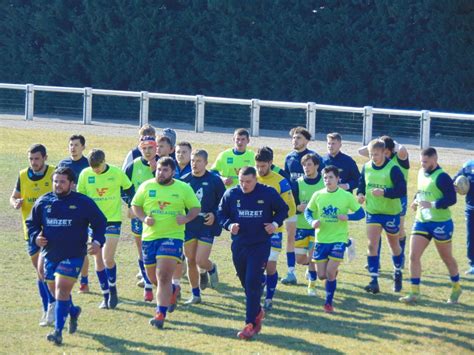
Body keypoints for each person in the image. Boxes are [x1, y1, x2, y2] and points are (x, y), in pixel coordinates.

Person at [26, 167, 106, 345]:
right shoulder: (44, 201)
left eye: (62, 181)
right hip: (50, 254)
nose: (58, 185)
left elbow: (100, 223)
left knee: (62, 289)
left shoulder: (83, 202)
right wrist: (35, 237)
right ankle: (73, 311)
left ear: (72, 183)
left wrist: (97, 242)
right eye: (55, 181)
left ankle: (57, 332)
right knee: (56, 291)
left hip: (74, 254)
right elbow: (31, 223)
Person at [218, 167, 289, 340]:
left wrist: (274, 223)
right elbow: (220, 213)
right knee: (246, 283)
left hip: (259, 245)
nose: (244, 185)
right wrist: (228, 225)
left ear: (256, 180)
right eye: (241, 181)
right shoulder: (231, 194)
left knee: (252, 282)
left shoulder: (268, 193)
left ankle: (249, 324)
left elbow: (283, 209)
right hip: (239, 245)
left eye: (248, 181)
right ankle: (257, 311)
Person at [131, 157, 201, 329]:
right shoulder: (147, 186)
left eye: (165, 170)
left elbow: (195, 208)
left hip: (173, 237)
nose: (160, 173)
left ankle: (160, 314)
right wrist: (143, 218)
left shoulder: (183, 188)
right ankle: (172, 290)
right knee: (154, 278)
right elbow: (135, 204)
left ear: (173, 172)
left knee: (163, 275)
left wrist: (186, 218)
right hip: (149, 237)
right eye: (159, 170)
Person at [400, 148, 461, 304]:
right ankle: (415, 292)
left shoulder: (442, 177)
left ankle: (456, 287)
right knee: (413, 256)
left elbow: (452, 199)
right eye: (421, 161)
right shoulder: (421, 172)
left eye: (425, 161)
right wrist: (415, 200)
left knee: (446, 257)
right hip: (422, 221)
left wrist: (431, 204)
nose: (423, 164)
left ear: (435, 159)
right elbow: (421, 190)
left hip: (441, 223)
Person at [77, 149, 133, 309]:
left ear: (104, 161)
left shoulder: (116, 173)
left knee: (108, 258)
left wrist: (131, 205)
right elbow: (81, 197)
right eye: (93, 168)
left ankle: (113, 290)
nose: (96, 171)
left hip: (112, 221)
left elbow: (130, 189)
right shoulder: (85, 174)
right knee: (98, 259)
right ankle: (105, 294)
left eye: (98, 167)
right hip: (93, 223)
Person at [305, 165, 365, 313]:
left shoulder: (346, 196)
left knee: (330, 273)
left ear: (338, 179)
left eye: (331, 177)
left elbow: (361, 213)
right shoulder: (318, 195)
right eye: (325, 178)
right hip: (321, 239)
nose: (328, 180)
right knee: (322, 275)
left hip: (338, 238)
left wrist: (348, 217)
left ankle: (328, 303)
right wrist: (312, 221)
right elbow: (308, 211)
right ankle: (336, 265)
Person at [10, 143, 56, 326]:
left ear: (45, 157)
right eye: (31, 159)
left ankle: (53, 307)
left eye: (37, 159)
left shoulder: (54, 173)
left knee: (47, 271)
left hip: (52, 231)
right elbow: (13, 196)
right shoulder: (22, 175)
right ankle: (51, 308)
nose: (33, 162)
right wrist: (15, 202)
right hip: (30, 232)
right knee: (40, 272)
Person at [357, 139, 406, 294]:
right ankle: (373, 280)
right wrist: (360, 194)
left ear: (384, 153)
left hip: (390, 213)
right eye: (371, 154)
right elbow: (361, 184)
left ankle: (397, 271)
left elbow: (402, 190)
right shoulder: (366, 167)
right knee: (372, 245)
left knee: (394, 246)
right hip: (373, 212)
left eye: (376, 154)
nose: (373, 157)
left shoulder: (393, 169)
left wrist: (384, 193)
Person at [181, 149, 226, 304]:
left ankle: (211, 268)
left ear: (206, 163)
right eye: (193, 160)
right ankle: (195, 294)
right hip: (189, 225)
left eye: (198, 161)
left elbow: (224, 203)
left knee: (201, 260)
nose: (195, 164)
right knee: (190, 259)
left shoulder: (215, 180)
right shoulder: (184, 180)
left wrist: (214, 214)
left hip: (206, 224)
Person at [255, 147, 296, 310]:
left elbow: (291, 208)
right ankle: (260, 287)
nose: (260, 169)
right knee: (257, 266)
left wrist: (275, 222)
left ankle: (269, 298)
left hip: (274, 231)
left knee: (270, 265)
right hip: (254, 231)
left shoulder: (281, 181)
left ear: (271, 163)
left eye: (263, 166)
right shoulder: (251, 178)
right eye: (257, 165)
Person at [281, 126, 324, 285]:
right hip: (294, 205)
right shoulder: (289, 158)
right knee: (293, 243)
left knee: (311, 251)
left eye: (298, 138)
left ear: (306, 140)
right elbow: (287, 181)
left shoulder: (316, 158)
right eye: (293, 138)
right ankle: (296, 269)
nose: (295, 140)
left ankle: (309, 269)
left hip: (312, 213)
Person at [124, 136, 158, 302]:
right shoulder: (132, 166)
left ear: (156, 148)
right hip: (138, 215)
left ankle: (167, 283)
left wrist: (154, 171)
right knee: (142, 250)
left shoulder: (162, 165)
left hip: (159, 216)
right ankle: (147, 284)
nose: (148, 151)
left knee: (157, 249)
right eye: (144, 148)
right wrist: (131, 205)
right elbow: (123, 188)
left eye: (151, 147)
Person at [58, 134, 91, 293]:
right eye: (71, 144)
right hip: (64, 211)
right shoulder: (63, 164)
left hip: (81, 212)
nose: (73, 147)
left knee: (82, 247)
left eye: (76, 145)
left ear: (83, 147)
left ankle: (84, 280)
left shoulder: (87, 165)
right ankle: (65, 276)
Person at [293, 153, 325, 296]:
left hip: (317, 227)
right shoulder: (298, 183)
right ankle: (314, 265)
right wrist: (297, 208)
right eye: (304, 165)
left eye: (309, 164)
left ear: (317, 166)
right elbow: (290, 204)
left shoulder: (323, 183)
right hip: (300, 226)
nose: (306, 167)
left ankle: (311, 286)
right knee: (299, 259)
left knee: (312, 258)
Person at [453, 160, 474, 275]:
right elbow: (454, 180)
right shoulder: (468, 166)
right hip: (471, 209)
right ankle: (473, 264)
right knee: (471, 237)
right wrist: (456, 186)